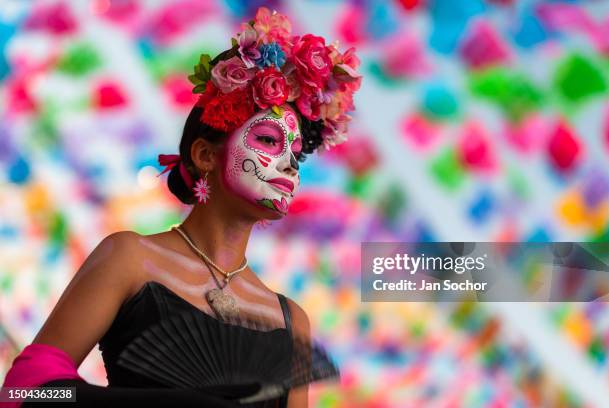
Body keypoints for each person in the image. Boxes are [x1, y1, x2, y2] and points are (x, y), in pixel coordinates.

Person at [1, 6, 361, 408]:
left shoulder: (291, 321)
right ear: (205, 154)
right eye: (268, 141)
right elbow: (21, 390)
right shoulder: (130, 258)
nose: (289, 163)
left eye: (296, 153)